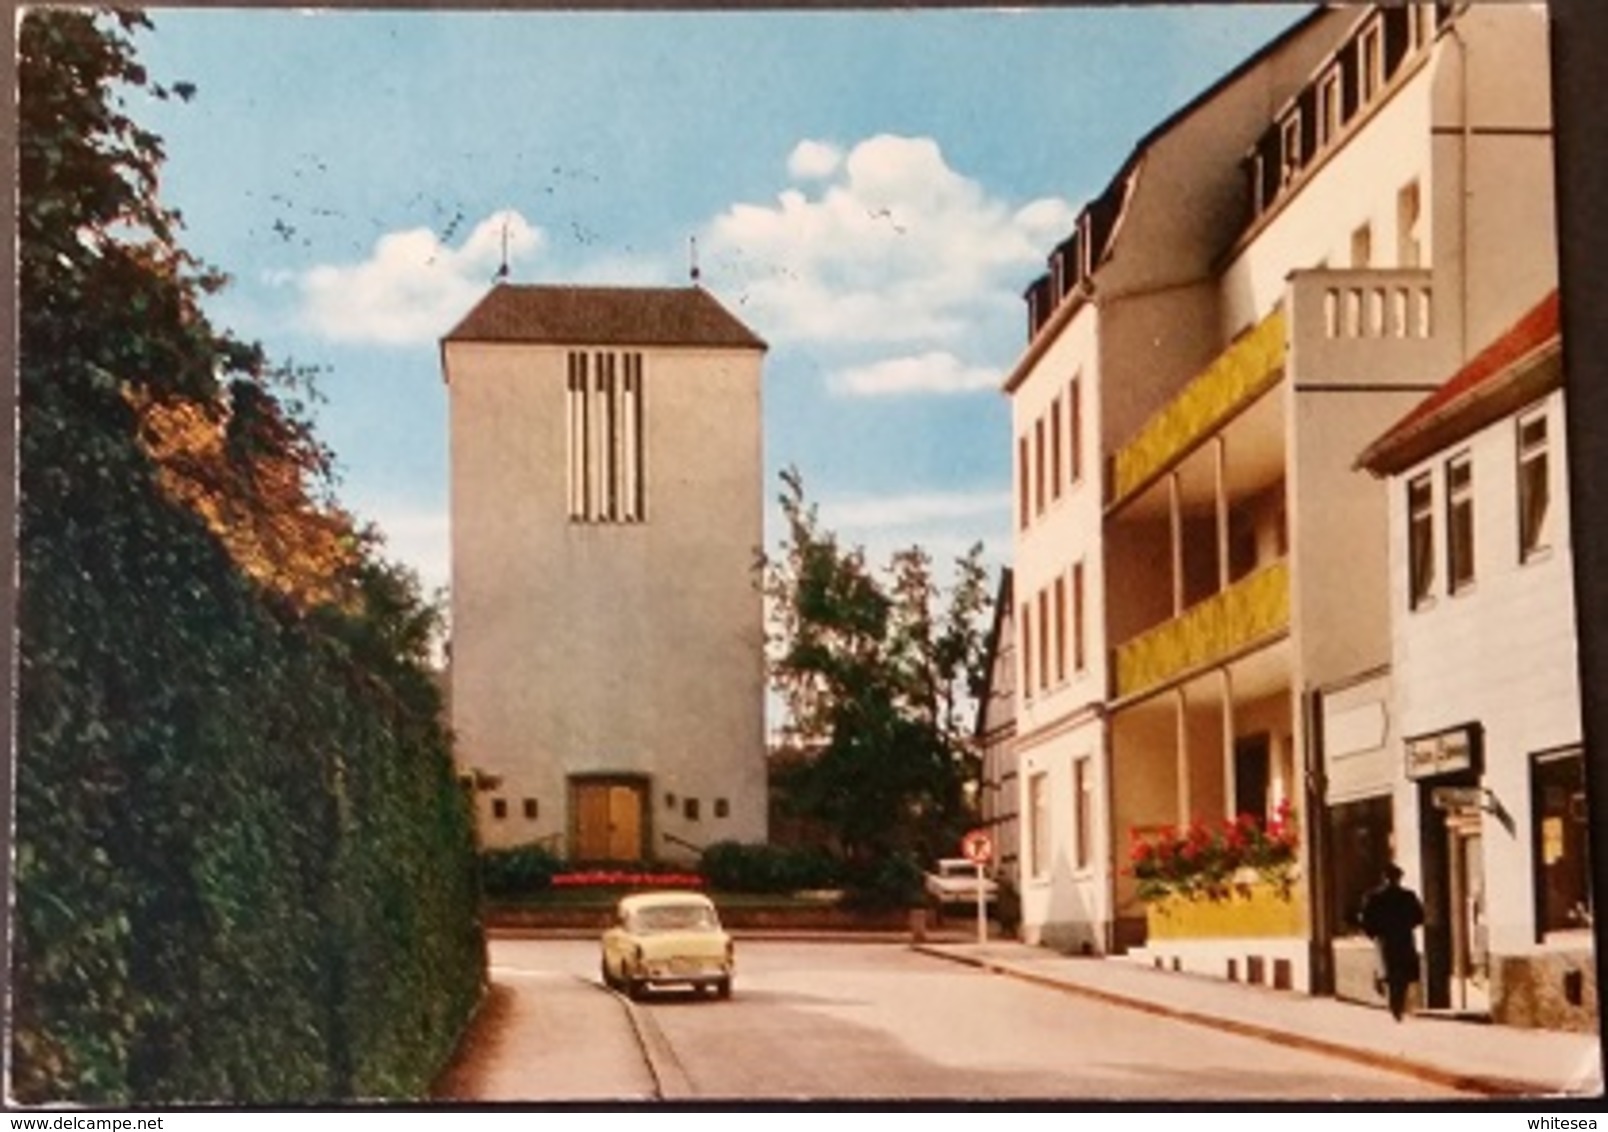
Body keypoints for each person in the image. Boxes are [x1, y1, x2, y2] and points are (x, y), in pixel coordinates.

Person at [1360, 863, 1425, 1021]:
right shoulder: (1407, 896)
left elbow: (1366, 920)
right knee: (1399, 974)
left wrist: (1374, 933)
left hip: (1386, 939)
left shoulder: (1374, 897)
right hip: (1401, 938)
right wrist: (1406, 925)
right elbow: (1419, 916)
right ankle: (1397, 1004)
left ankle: (1395, 1004)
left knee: (1390, 972)